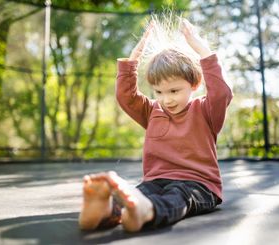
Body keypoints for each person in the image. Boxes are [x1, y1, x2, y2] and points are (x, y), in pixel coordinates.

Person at [78, 18, 233, 232]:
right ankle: (106, 211)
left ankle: (148, 212)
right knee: (137, 193)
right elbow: (127, 96)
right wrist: (134, 58)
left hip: (198, 185)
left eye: (174, 91)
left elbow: (221, 92)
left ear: (194, 84)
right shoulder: (153, 111)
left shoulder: (206, 110)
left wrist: (199, 46)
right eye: (159, 92)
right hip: (156, 181)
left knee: (179, 196)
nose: (166, 99)